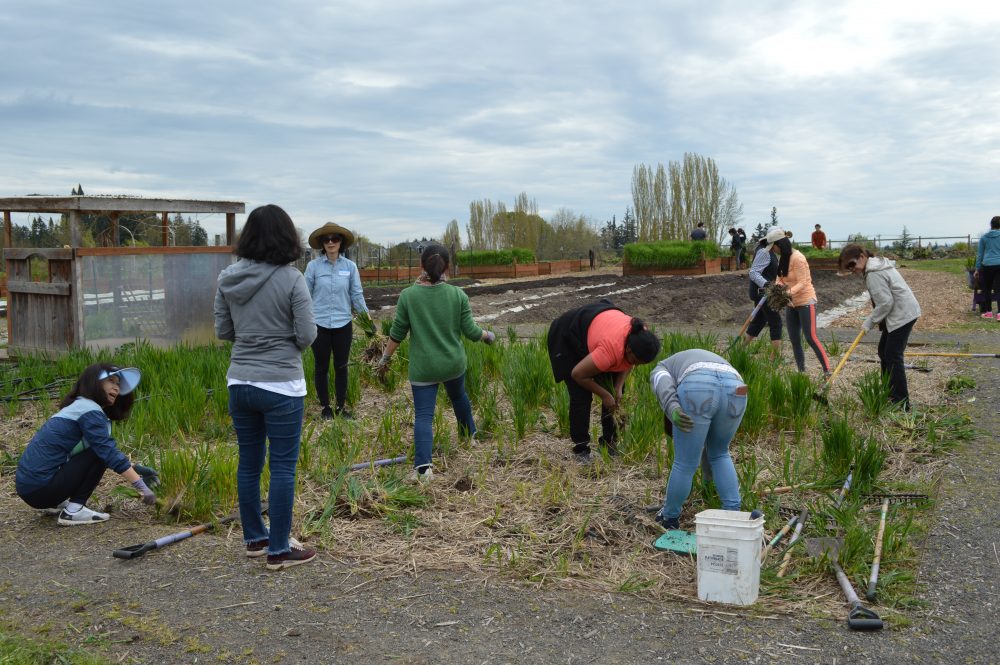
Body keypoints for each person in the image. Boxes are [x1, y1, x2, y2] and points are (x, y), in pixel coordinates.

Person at [215, 204, 318, 570]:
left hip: (239, 381)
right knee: (283, 467)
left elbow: (224, 331)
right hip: (282, 385)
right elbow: (307, 334)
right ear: (288, 237)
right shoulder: (292, 279)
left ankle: (255, 539)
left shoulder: (228, 278)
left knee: (249, 463)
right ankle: (279, 549)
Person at [376, 244, 496, 483]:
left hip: (424, 368)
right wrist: (487, 336)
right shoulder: (457, 295)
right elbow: (471, 331)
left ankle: (423, 469)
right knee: (459, 397)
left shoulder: (409, 296)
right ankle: (469, 436)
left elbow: (397, 334)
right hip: (453, 363)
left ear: (421, 266)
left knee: (423, 415)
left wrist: (384, 359)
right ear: (447, 267)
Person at [15, 364, 158, 525]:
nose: (116, 388)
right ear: (94, 382)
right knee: (100, 452)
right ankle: (74, 510)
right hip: (41, 489)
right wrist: (140, 485)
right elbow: (105, 451)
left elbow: (81, 452)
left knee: (98, 451)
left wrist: (135, 468)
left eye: (118, 384)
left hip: (29, 489)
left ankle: (56, 503)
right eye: (111, 381)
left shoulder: (77, 407)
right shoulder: (89, 410)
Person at [547, 300, 662, 462]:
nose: (634, 365)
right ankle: (581, 450)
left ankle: (609, 443)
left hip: (598, 328)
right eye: (635, 360)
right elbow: (578, 375)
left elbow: (628, 363)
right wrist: (604, 394)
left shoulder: (641, 335)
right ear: (628, 349)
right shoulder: (611, 349)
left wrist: (618, 386)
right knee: (581, 396)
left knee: (614, 395)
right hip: (568, 336)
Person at [650, 350, 747, 529]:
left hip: (698, 386)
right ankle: (733, 514)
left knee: (685, 463)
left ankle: (669, 517)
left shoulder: (661, 367)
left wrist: (672, 409)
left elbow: (662, 384)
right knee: (720, 453)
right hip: (737, 387)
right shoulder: (692, 358)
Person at [838, 244, 921, 409]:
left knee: (893, 355)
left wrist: (869, 323)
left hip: (902, 315)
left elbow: (885, 303)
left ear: (862, 256)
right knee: (884, 351)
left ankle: (901, 402)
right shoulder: (875, 265)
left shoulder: (873, 273)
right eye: (848, 267)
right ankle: (889, 392)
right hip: (901, 312)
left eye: (852, 264)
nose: (851, 269)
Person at [304, 221, 369, 420]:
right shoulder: (313, 267)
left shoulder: (350, 267)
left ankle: (341, 407)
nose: (331, 242)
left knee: (341, 366)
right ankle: (325, 408)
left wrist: (368, 322)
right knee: (321, 367)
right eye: (327, 239)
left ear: (341, 243)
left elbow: (356, 295)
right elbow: (304, 295)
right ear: (322, 244)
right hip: (319, 325)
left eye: (335, 239)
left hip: (343, 324)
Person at [768, 228, 831, 375]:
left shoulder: (798, 258)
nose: (773, 250)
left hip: (805, 302)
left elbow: (803, 282)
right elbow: (780, 278)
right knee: (794, 339)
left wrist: (786, 294)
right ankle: (801, 371)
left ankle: (827, 371)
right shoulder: (783, 258)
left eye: (774, 247)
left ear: (780, 244)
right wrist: (777, 290)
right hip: (791, 304)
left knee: (811, 337)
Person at [744, 238, 783, 357]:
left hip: (764, 292)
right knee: (776, 322)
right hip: (763, 293)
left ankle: (741, 349)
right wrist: (766, 284)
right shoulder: (764, 252)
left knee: (759, 321)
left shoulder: (769, 252)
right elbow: (754, 272)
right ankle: (774, 357)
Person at [974, 216, 1000, 320]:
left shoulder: (984, 238)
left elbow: (980, 255)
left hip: (987, 265)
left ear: (991, 225)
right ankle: (999, 314)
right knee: (999, 289)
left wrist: (977, 269)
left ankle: (989, 312)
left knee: (987, 289)